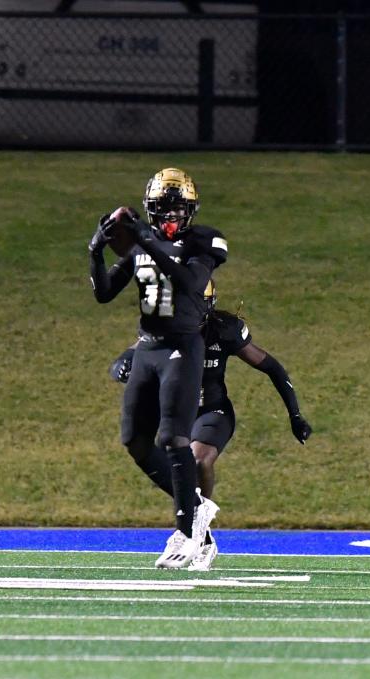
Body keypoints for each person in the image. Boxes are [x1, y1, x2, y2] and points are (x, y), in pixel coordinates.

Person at [110, 279, 312, 570]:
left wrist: (294, 414)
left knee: (198, 460)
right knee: (172, 468)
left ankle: (192, 530)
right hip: (177, 413)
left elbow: (271, 367)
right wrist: (123, 362)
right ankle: (200, 536)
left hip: (212, 411)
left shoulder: (224, 330)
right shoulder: (162, 329)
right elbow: (132, 351)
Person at [89, 168, 228, 569]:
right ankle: (196, 509)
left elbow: (187, 282)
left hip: (183, 346)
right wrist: (95, 251)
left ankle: (187, 532)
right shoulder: (139, 247)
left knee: (173, 437)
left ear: (190, 210)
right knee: (134, 439)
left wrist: (149, 241)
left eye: (176, 208)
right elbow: (103, 293)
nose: (169, 216)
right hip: (147, 347)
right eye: (161, 209)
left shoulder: (203, 241)